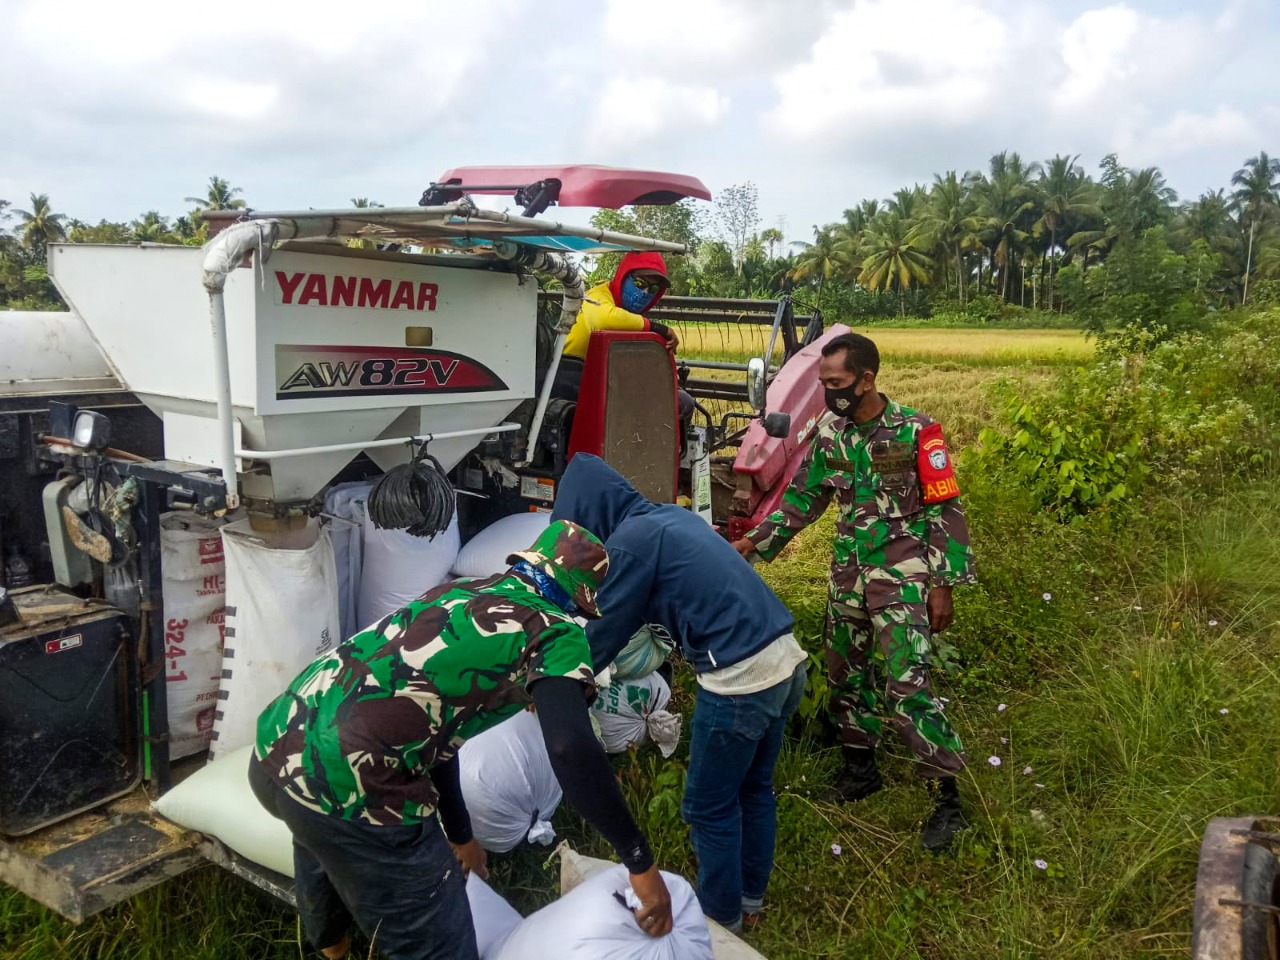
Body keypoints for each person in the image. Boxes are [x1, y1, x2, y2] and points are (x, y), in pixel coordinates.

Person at [249, 520, 673, 960]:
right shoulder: (554, 631)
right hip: (352, 782)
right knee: (440, 945)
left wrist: (460, 833)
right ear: (577, 597)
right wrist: (638, 862)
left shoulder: (459, 592)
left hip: (276, 746)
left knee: (321, 841)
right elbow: (570, 747)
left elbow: (432, 729)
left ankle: (331, 951)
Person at [732, 332, 977, 853]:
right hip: (849, 575)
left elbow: (944, 510)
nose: (828, 393)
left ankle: (948, 796)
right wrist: (752, 544)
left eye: (837, 383)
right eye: (822, 383)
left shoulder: (917, 432)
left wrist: (943, 585)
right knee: (845, 673)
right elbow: (803, 498)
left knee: (907, 683)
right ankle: (860, 769)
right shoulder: (829, 432)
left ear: (867, 379)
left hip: (903, 577)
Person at [550, 454, 806, 932]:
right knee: (754, 789)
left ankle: (719, 923)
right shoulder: (669, 516)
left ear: (590, 515)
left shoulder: (630, 544)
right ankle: (750, 899)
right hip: (786, 660)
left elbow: (604, 632)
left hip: (740, 679)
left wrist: (558, 685)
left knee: (707, 807)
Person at [551, 252, 695, 429]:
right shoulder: (598, 297)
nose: (645, 292)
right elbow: (603, 318)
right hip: (569, 381)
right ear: (623, 275)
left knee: (681, 402)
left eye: (654, 289)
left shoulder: (627, 316)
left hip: (600, 384)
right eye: (639, 283)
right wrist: (660, 329)